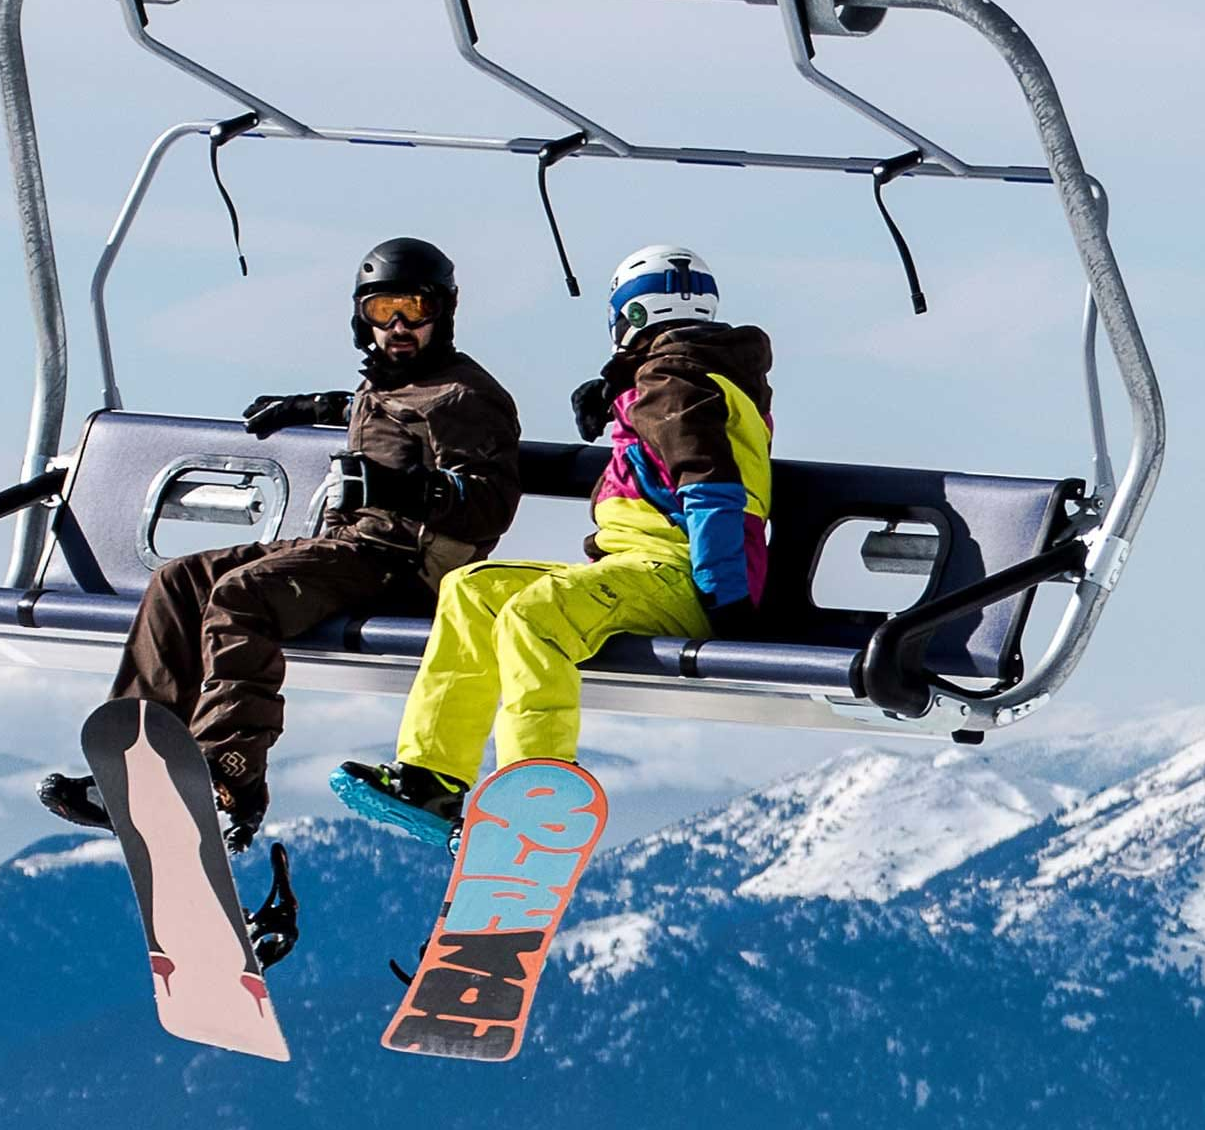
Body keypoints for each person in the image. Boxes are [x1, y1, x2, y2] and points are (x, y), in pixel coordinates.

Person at [39, 237, 523, 849]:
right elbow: (379, 408)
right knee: (179, 582)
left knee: (243, 596)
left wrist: (401, 488)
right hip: (353, 548)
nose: (399, 326)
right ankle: (139, 765)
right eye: (382, 311)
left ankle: (228, 775)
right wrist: (313, 405)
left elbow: (489, 502)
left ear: (444, 312)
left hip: (407, 566)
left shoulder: (466, 397)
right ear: (360, 317)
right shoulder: (394, 383)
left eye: (415, 309)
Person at [335, 243, 773, 843]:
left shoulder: (674, 384)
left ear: (630, 317)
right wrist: (621, 393)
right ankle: (432, 778)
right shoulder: (676, 379)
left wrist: (727, 602)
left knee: (534, 616)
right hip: (638, 568)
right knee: (473, 590)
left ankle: (534, 794)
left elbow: (713, 492)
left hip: (681, 575)